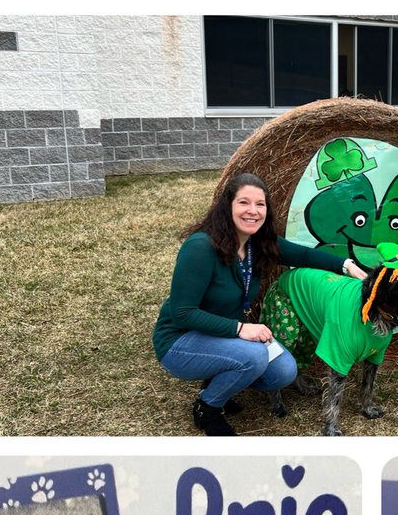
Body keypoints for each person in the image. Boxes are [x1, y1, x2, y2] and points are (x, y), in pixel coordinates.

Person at [154, 172, 367, 436]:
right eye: (244, 203)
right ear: (227, 206)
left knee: (283, 371)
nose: (252, 211)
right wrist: (241, 329)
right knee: (256, 356)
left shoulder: (258, 244)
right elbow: (183, 313)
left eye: (260, 204)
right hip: (180, 342)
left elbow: (302, 255)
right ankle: (207, 407)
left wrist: (344, 265)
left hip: (219, 334)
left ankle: (217, 379)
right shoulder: (200, 248)